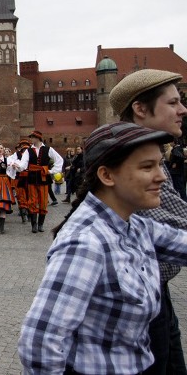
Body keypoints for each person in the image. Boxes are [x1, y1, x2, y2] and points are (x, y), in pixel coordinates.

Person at [18, 121, 187, 374]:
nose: (162, 176)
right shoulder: (86, 243)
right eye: (147, 167)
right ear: (107, 175)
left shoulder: (136, 225)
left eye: (159, 164)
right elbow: (40, 344)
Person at [109, 68, 187, 375]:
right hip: (139, 299)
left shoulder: (147, 152)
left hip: (155, 292)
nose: (182, 109)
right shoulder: (131, 159)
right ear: (140, 109)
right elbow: (173, 226)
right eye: (173, 103)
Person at [25, 130, 63, 233]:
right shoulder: (28, 150)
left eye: (32, 137)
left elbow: (59, 160)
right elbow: (24, 163)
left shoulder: (48, 149)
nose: (31, 139)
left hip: (43, 177)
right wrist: (17, 166)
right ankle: (34, 225)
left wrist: (51, 171)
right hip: (32, 177)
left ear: (37, 138)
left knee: (43, 201)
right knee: (32, 201)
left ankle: (41, 224)